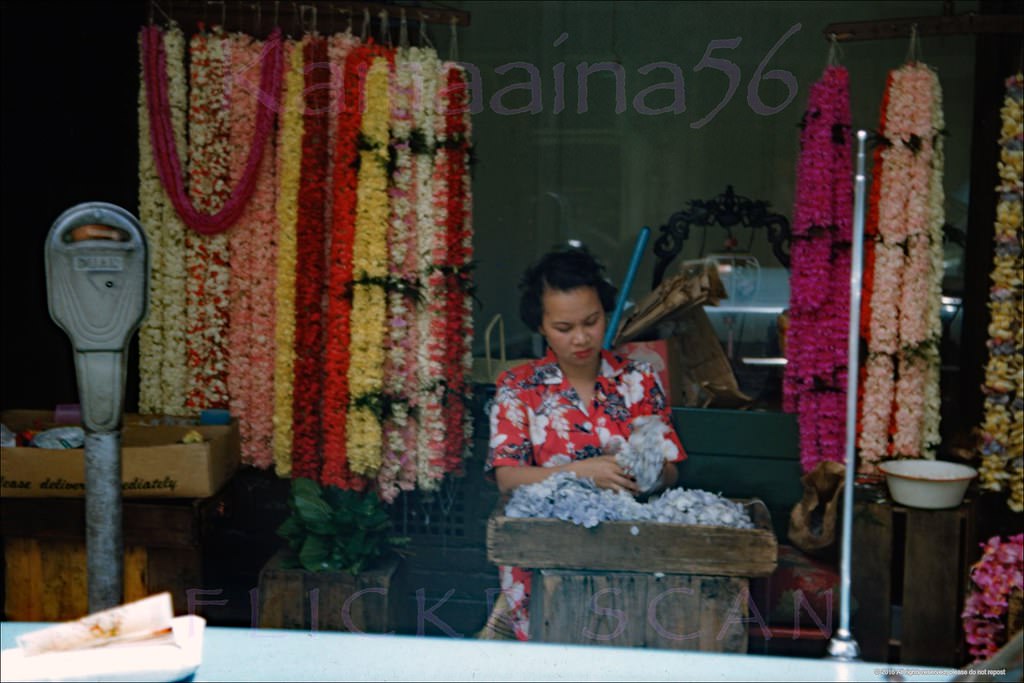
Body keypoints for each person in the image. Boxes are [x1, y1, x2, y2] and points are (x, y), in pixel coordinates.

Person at [481, 246, 686, 641]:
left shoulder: (639, 380)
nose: (580, 337)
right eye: (563, 327)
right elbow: (507, 477)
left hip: (627, 555)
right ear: (540, 326)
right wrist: (581, 472)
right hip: (542, 558)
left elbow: (671, 469)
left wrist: (644, 469)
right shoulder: (518, 388)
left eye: (591, 321)